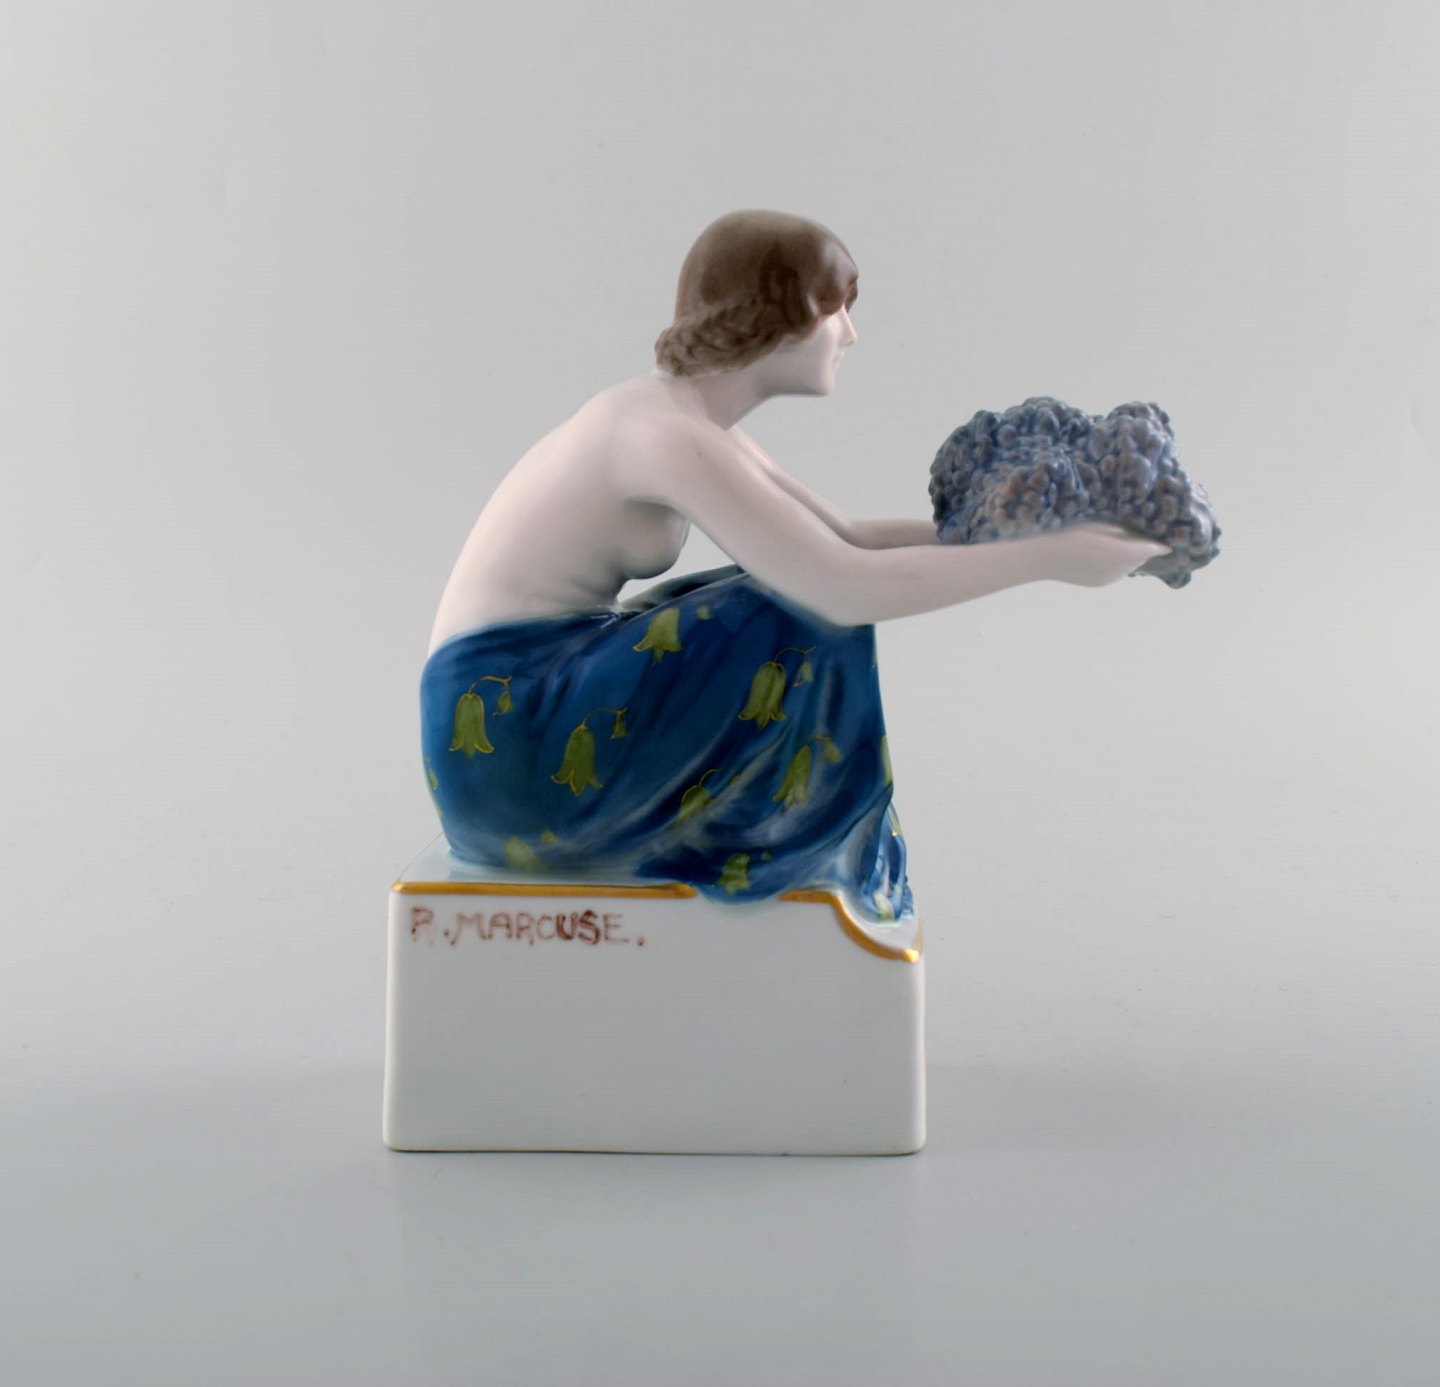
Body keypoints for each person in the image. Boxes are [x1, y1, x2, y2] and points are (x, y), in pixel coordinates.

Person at [420, 210, 1166, 921]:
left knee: (776, 592)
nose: (850, 333)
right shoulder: (660, 435)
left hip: (529, 702)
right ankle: (774, 845)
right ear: (775, 319)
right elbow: (840, 587)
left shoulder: (685, 419)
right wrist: (1045, 560)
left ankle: (773, 839)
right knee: (797, 608)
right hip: (503, 739)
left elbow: (846, 537)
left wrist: (1016, 532)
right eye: (836, 308)